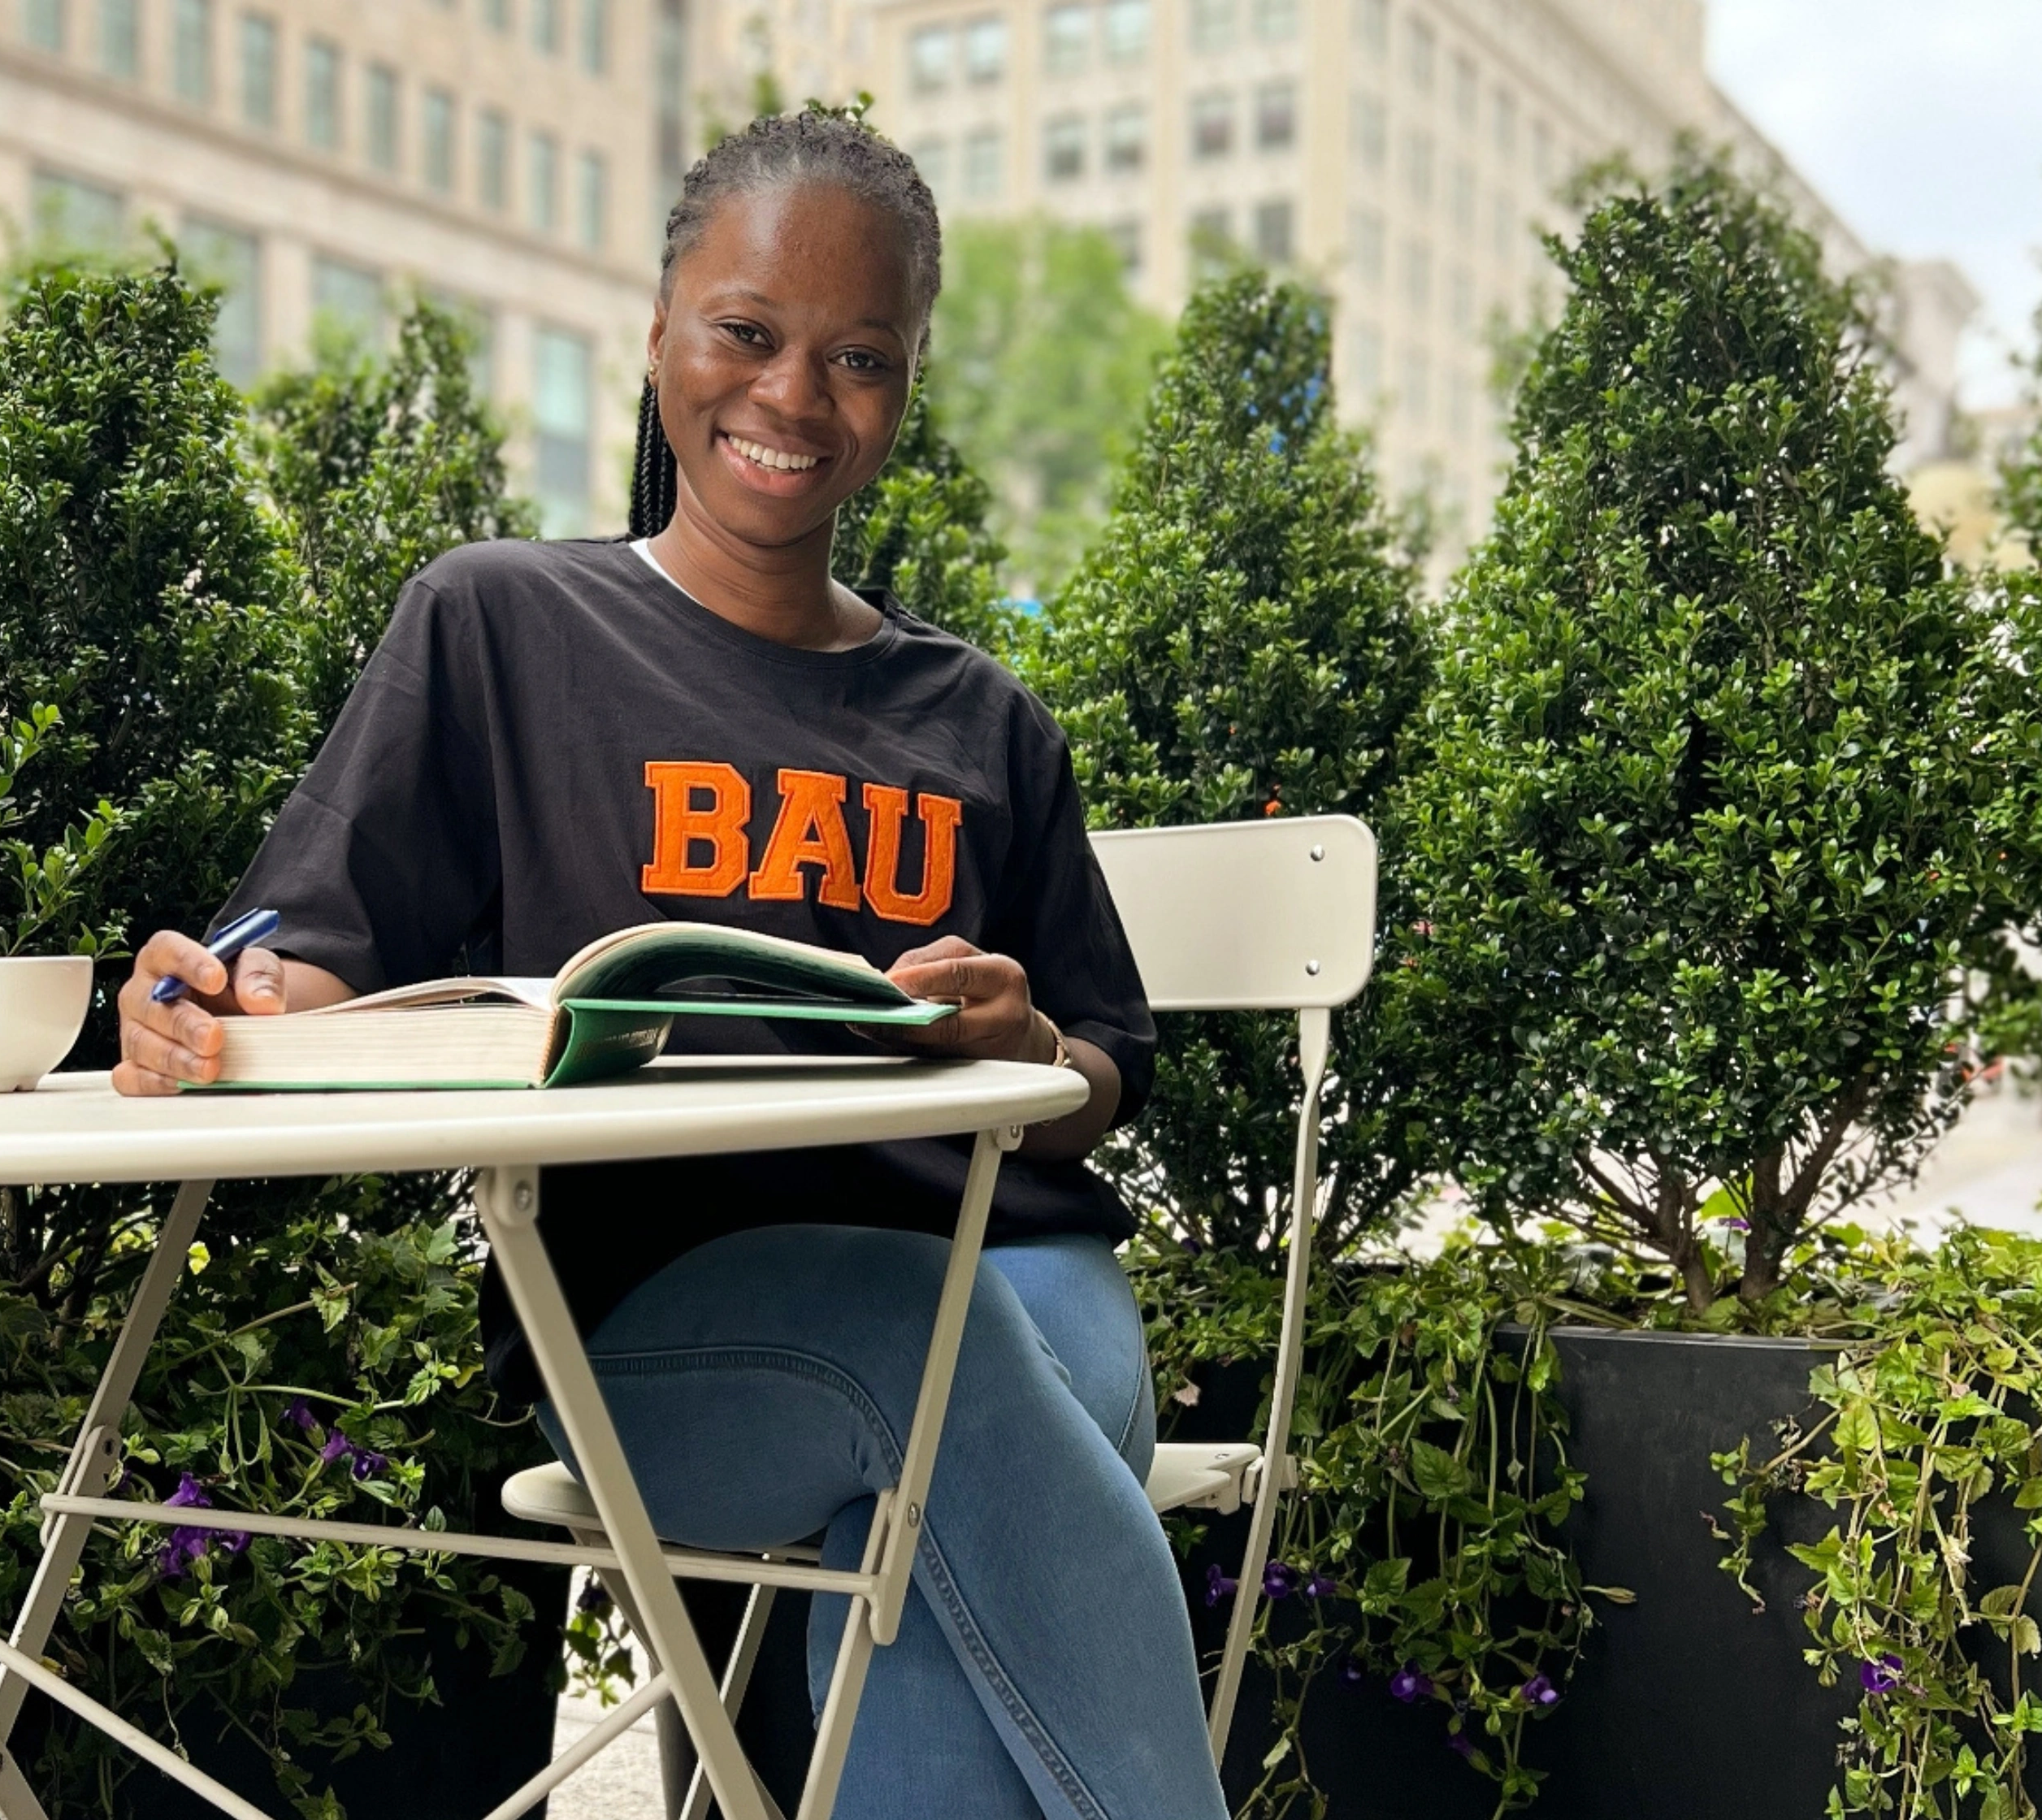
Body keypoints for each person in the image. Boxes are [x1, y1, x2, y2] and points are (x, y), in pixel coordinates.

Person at [115, 109, 1227, 1820]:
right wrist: (207, 1010)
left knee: (980, 1407)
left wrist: (1032, 1049)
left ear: (905, 390)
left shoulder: (985, 722)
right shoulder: (502, 626)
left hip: (1011, 1260)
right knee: (928, 1376)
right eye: (749, 333)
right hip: (652, 1325)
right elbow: (307, 972)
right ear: (658, 337)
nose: (794, 397)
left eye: (860, 357)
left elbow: (1103, 1071)